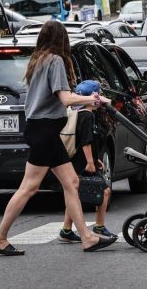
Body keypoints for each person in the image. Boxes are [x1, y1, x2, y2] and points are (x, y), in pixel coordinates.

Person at [0, 20, 115, 255]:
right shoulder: (55, 61)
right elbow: (66, 99)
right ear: (62, 40)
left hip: (42, 129)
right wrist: (95, 100)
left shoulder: (38, 60)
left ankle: (86, 237)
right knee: (29, 187)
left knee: (72, 182)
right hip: (45, 131)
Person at [58, 80, 117, 242]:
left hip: (77, 160)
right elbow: (86, 141)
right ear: (93, 97)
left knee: (74, 194)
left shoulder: (77, 113)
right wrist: (91, 162)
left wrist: (95, 159)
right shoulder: (87, 115)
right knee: (105, 191)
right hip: (83, 161)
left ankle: (66, 230)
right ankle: (99, 226)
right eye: (99, 94)